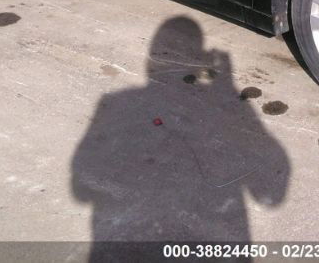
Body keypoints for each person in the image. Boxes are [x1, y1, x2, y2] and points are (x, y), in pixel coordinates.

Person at [71, 16, 289, 259]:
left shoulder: (114, 102)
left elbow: (81, 189)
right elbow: (271, 195)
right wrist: (226, 88)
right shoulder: (115, 103)